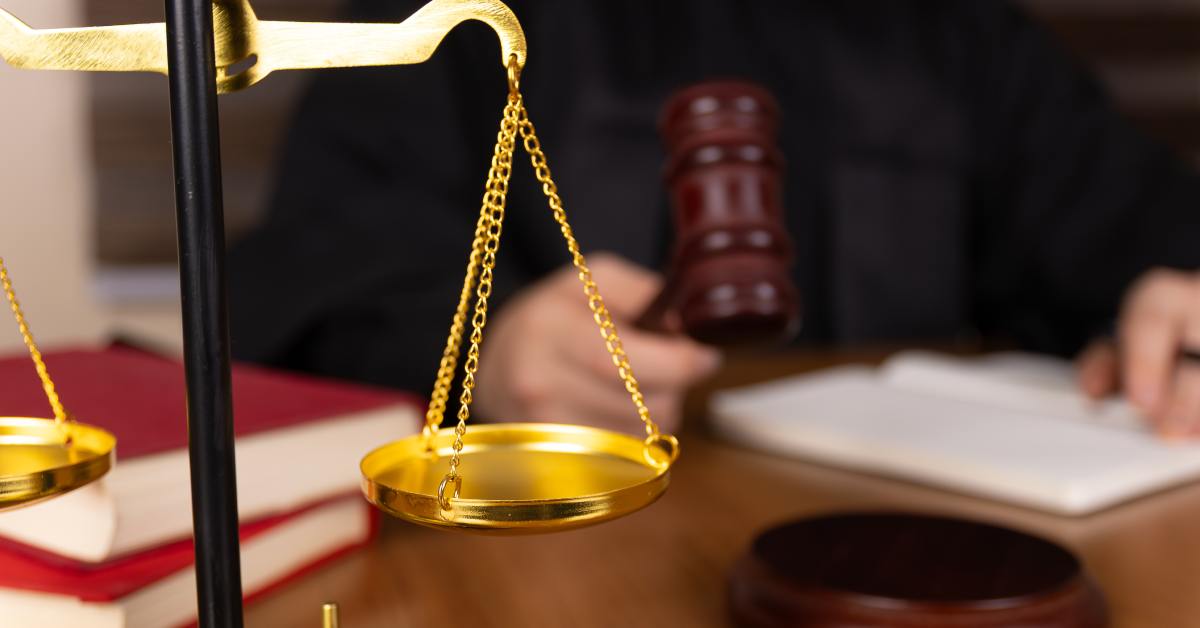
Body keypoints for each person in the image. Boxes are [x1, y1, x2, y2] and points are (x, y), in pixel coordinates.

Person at [229, 0, 1200, 438]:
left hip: (916, 544)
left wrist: (1175, 308)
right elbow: (311, 270)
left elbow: (1133, 235)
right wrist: (479, 352)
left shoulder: (960, 35)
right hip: (569, 547)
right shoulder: (458, 16)